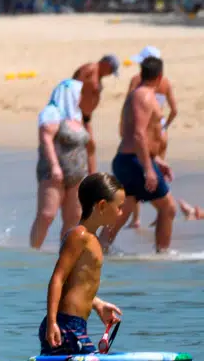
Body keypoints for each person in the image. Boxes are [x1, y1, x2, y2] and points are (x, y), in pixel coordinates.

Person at [40, 173, 125, 356]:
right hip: (65, 326)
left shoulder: (91, 239)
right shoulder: (79, 236)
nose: (121, 212)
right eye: (119, 207)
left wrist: (98, 304)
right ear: (102, 205)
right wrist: (52, 323)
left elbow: (75, 284)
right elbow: (58, 278)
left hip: (74, 326)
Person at [104, 56, 176, 252]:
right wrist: (148, 169)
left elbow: (144, 133)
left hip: (132, 160)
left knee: (125, 209)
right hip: (133, 161)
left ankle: (98, 248)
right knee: (168, 207)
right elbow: (138, 133)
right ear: (160, 76)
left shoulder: (141, 95)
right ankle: (163, 254)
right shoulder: (143, 96)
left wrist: (156, 160)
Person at [122, 46, 180, 229]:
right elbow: (174, 110)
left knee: (139, 174)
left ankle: (136, 219)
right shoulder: (166, 83)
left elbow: (128, 106)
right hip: (160, 133)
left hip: (142, 132)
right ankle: (161, 214)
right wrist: (164, 126)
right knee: (158, 173)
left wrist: (124, 129)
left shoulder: (136, 81)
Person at [30, 79, 90, 249]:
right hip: (53, 173)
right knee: (47, 214)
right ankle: (34, 251)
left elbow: (87, 147)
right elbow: (46, 139)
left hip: (78, 175)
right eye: (79, 94)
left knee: (74, 218)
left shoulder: (77, 116)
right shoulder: (51, 113)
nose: (81, 97)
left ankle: (65, 256)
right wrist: (55, 165)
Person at [71, 54, 120, 173]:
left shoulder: (98, 75)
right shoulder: (91, 69)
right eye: (111, 70)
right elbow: (73, 86)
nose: (110, 74)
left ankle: (92, 176)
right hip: (76, 112)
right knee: (78, 144)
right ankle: (74, 177)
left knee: (91, 145)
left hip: (86, 115)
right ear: (106, 65)